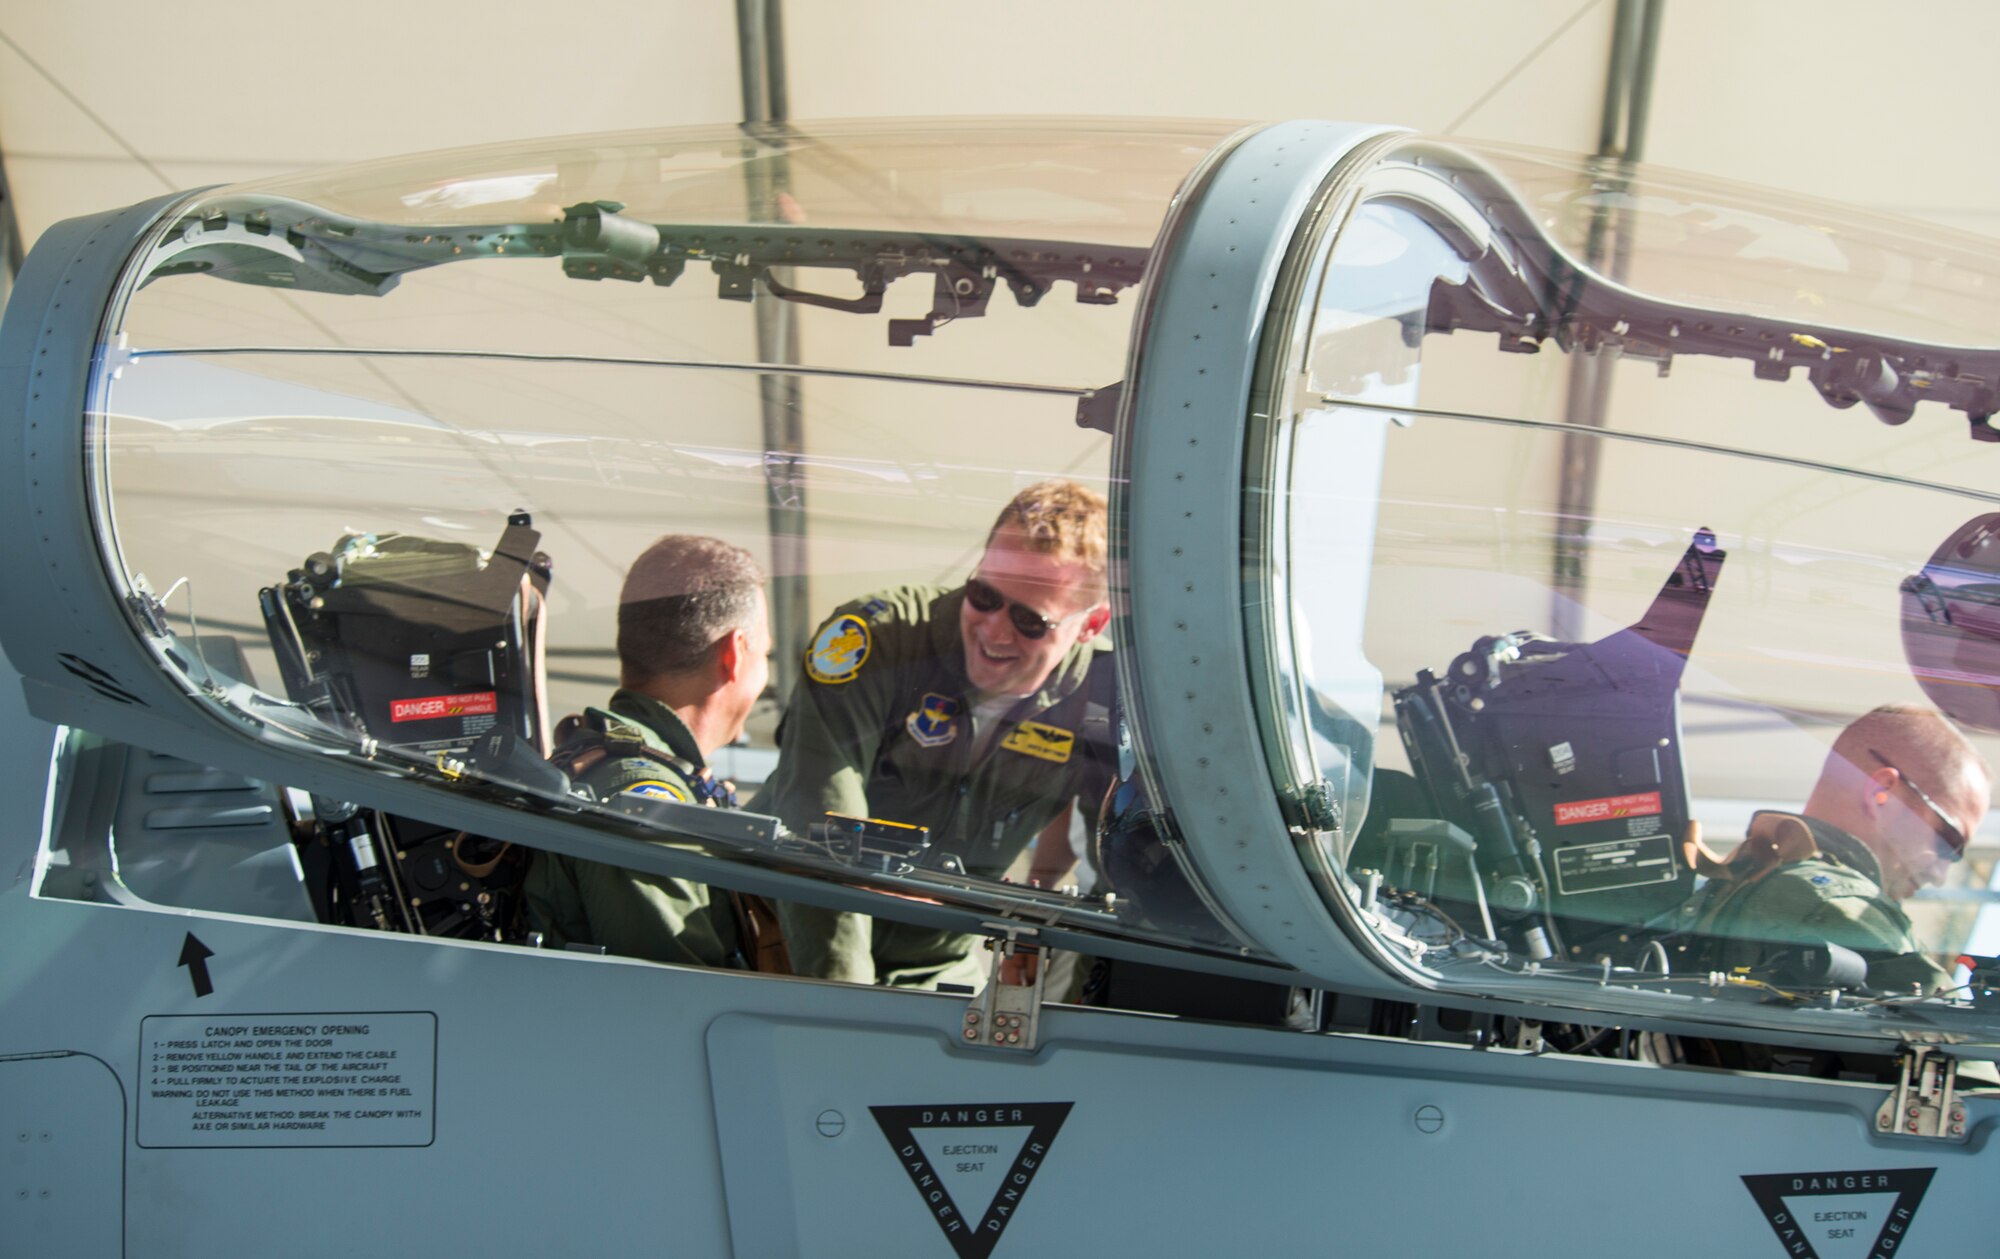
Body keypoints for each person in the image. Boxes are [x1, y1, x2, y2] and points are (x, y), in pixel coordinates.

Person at [754, 479, 1118, 988]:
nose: (994, 631)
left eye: (1030, 621)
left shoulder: (1101, 703)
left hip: (937, 966)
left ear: (1090, 623)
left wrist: (1076, 985)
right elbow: (819, 813)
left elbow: (1112, 867)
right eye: (984, 594)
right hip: (778, 937)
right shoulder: (877, 640)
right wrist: (844, 999)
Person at [522, 534, 778, 969]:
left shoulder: (618, 768)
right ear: (734, 654)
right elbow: (682, 1010)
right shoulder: (645, 800)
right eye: (765, 653)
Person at [1688, 703, 1990, 995]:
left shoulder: (1739, 885)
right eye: (1949, 842)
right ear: (1881, 792)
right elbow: (1946, 1034)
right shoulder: (1834, 901)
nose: (1939, 875)